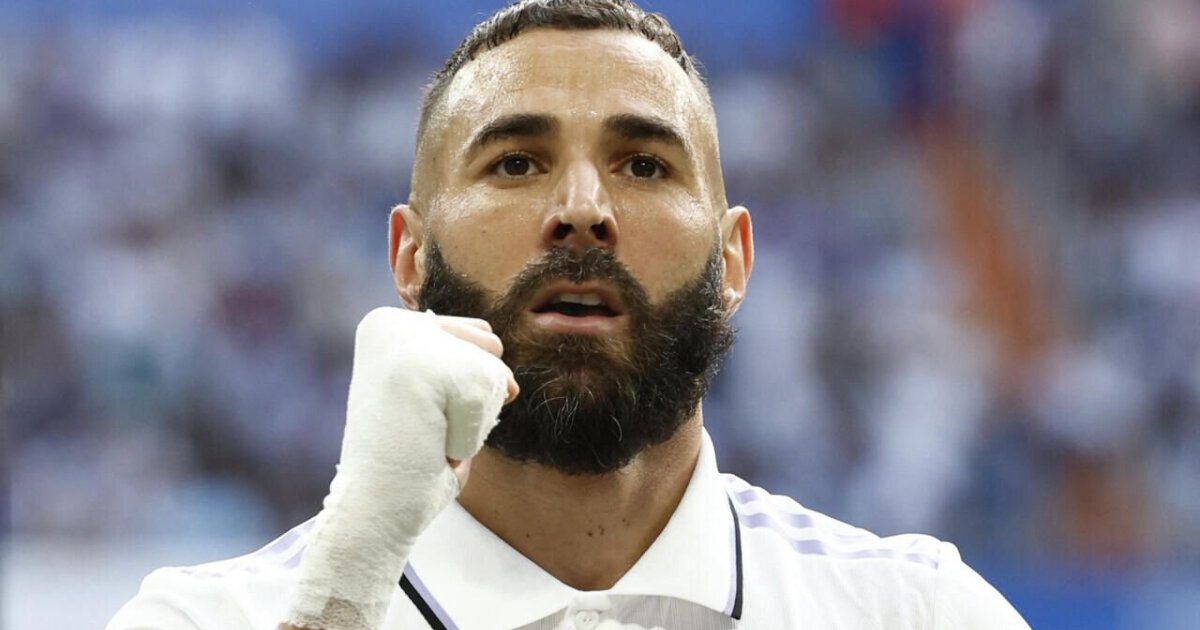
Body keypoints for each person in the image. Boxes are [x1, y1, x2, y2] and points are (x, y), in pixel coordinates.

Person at [109, 1, 1030, 628]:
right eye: (515, 163)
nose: (583, 207)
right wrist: (345, 598)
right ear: (409, 257)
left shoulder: (919, 612)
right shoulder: (208, 618)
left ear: (734, 260)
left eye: (645, 165)